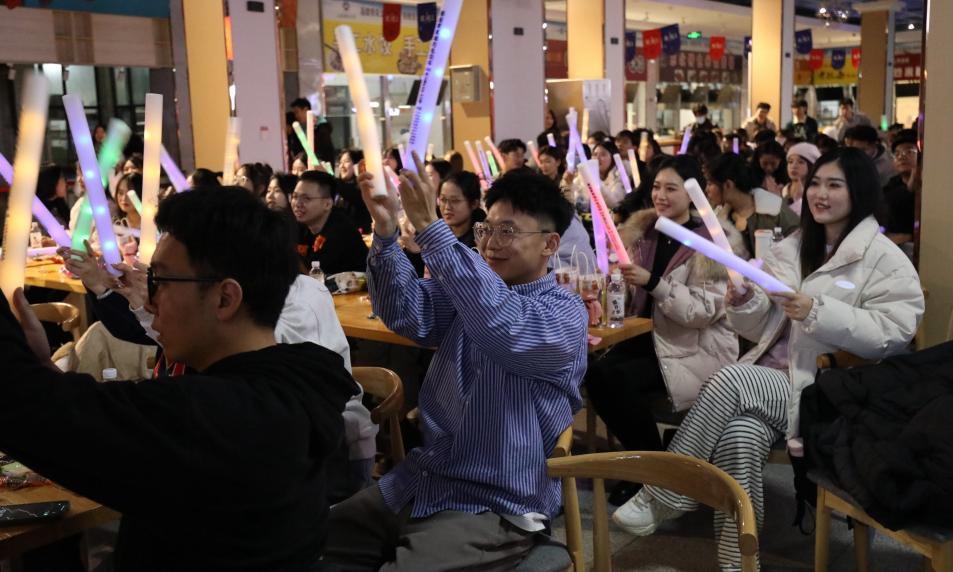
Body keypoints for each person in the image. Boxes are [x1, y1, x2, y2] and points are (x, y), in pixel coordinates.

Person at [1, 187, 357, 571]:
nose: (150, 300)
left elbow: (22, 405)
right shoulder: (298, 382)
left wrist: (30, 373)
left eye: (161, 281)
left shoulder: (217, 419)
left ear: (225, 298)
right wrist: (42, 368)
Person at [613, 147, 924, 572]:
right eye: (815, 183)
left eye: (834, 185)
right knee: (738, 437)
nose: (820, 194)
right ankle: (740, 564)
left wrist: (817, 311)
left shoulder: (883, 258)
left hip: (826, 390)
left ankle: (666, 491)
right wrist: (744, 301)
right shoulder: (794, 246)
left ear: (860, 192)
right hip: (770, 378)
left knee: (731, 379)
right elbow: (759, 325)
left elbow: (893, 333)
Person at [325, 156, 588, 571]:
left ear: (550, 244)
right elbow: (406, 313)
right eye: (487, 229)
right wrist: (386, 233)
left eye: (508, 231)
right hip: (423, 478)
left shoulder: (564, 313)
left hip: (494, 502)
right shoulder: (471, 291)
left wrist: (432, 229)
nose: (491, 242)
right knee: (311, 541)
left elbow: (504, 327)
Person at [587, 155, 745, 504]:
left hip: (693, 346)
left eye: (671, 189)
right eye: (657, 187)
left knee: (616, 379)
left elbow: (702, 312)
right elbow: (629, 295)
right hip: (646, 338)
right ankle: (653, 464)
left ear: (692, 194)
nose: (660, 195)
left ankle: (652, 473)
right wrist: (613, 282)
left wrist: (653, 282)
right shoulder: (643, 232)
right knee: (594, 372)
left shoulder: (711, 243)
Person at [708, 153, 800, 257]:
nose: (707, 190)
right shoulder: (719, 217)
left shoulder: (775, 210)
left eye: (710, 184)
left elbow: (799, 245)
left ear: (728, 185)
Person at [292, 170, 368, 275]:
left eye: (306, 198)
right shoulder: (300, 227)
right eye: (295, 197)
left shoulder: (340, 231)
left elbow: (315, 276)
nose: (297, 203)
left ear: (327, 204)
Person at [881, 129, 919, 247]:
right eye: (897, 154)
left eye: (909, 151)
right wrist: (909, 188)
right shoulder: (891, 185)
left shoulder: (933, 186)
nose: (902, 156)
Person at [335, 149, 372, 233]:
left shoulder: (364, 187)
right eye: (340, 163)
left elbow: (352, 194)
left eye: (346, 161)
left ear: (357, 165)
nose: (342, 166)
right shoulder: (338, 188)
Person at [781, 142, 821, 216]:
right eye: (790, 162)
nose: (794, 166)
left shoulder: (817, 192)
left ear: (811, 166)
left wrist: (799, 200)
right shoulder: (785, 189)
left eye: (801, 162)